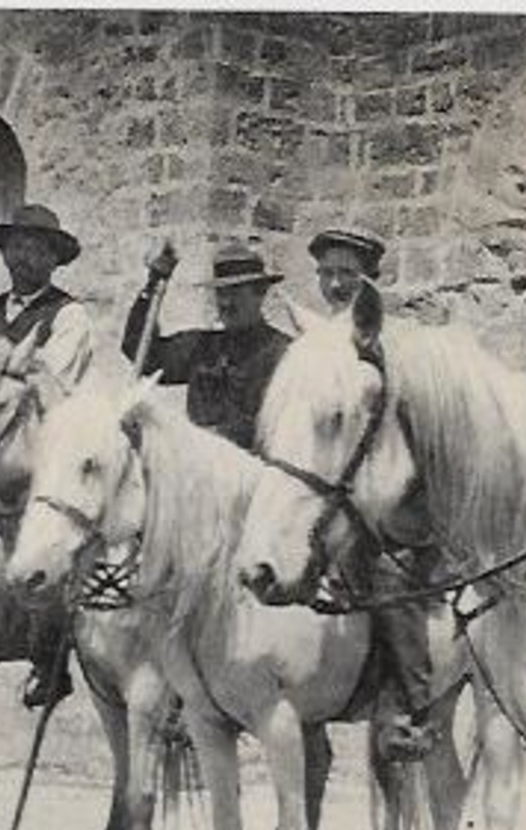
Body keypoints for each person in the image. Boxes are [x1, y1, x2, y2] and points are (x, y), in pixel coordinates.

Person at [307, 228, 439, 762]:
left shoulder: (391, 339)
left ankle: (413, 707)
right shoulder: (313, 337)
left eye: (347, 274)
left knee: (387, 578)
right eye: (327, 274)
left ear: (369, 280)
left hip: (395, 494)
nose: (336, 283)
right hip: (332, 490)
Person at [0, 204, 96, 709]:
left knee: (43, 529)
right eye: (16, 247)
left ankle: (48, 660)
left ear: (52, 258)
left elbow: (50, 380)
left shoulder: (68, 315)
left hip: (43, 438)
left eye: (35, 249)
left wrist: (1, 373)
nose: (22, 257)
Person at [120, 240, 291, 450]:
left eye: (236, 291)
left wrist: (215, 437)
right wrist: (154, 282)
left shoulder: (284, 354)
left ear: (260, 293)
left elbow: (285, 426)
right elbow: (143, 354)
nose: (226, 302)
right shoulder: (202, 347)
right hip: (199, 475)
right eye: (221, 293)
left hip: (256, 474)